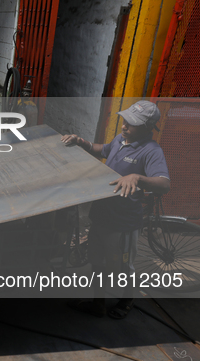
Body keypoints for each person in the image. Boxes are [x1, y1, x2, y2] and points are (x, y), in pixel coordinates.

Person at [61, 100, 170, 319]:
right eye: (125, 120)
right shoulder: (121, 140)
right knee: (97, 262)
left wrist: (137, 177)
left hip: (122, 223)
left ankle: (127, 299)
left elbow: (164, 183)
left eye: (132, 123)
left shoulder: (151, 151)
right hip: (101, 215)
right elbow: (103, 150)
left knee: (122, 267)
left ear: (148, 128)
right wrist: (81, 142)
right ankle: (98, 303)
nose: (124, 126)